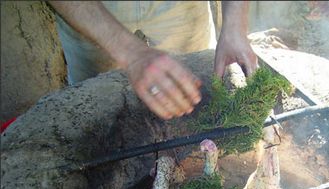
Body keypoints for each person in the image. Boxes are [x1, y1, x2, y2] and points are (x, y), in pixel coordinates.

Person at [48, 1, 258, 120]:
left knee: (195, 92)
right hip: (90, 9)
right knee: (94, 110)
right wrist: (131, 53)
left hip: (182, 6)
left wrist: (235, 24)